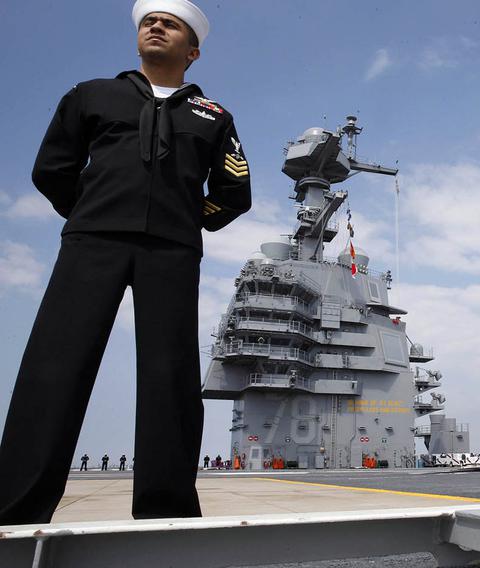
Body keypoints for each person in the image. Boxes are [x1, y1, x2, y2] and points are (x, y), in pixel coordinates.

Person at [0, 0, 252, 525]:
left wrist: (187, 218)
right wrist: (92, 211)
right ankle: (15, 507)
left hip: (173, 249)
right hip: (93, 241)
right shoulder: (92, 95)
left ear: (193, 50)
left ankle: (167, 512)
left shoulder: (214, 116)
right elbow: (52, 167)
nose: (155, 26)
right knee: (54, 364)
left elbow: (233, 191)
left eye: (170, 23)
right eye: (148, 21)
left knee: (170, 373)